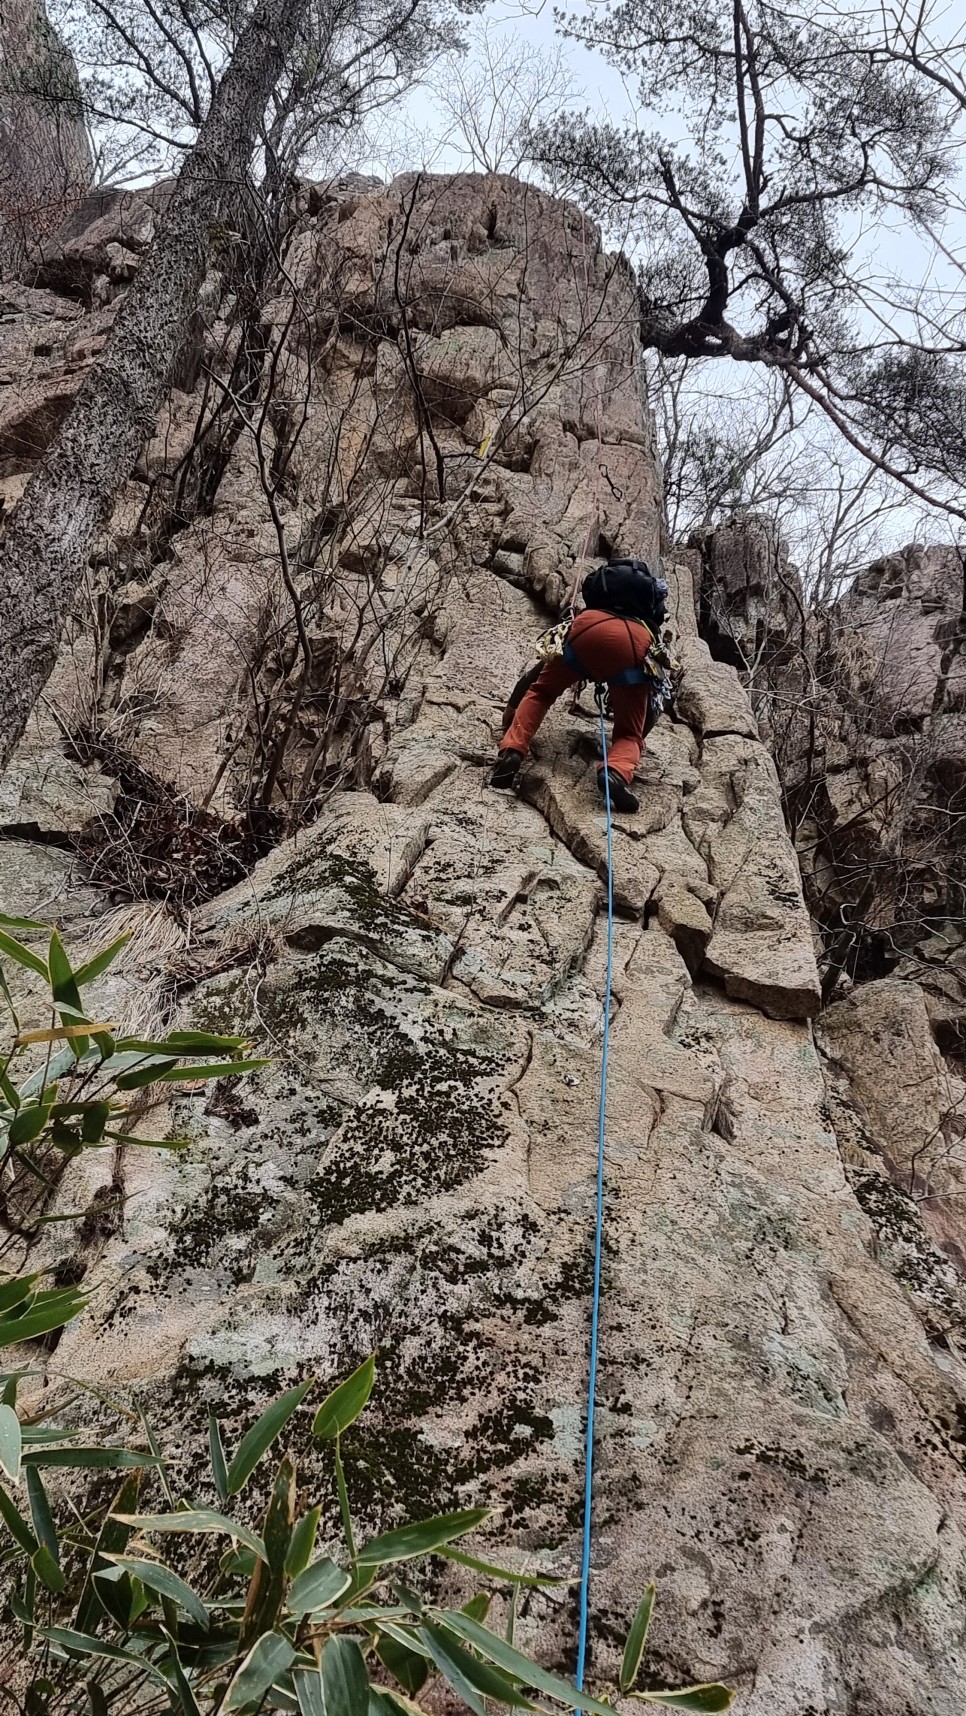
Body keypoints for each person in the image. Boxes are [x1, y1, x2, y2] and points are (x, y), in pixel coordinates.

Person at [491, 558, 668, 814]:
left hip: (586, 628)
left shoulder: (596, 601)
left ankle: (512, 749)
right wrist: (638, 734)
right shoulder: (647, 606)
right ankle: (616, 773)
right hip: (634, 644)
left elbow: (531, 681)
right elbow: (648, 713)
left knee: (541, 693)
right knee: (629, 733)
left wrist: (509, 719)